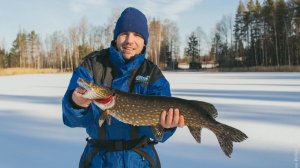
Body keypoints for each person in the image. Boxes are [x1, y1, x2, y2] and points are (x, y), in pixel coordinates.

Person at [62, 7, 185, 168]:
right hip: (98, 161)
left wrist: (165, 126)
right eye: (124, 34)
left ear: (144, 41)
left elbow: (159, 134)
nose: (129, 40)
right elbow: (71, 119)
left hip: (139, 161)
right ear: (116, 37)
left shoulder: (153, 75)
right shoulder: (92, 65)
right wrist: (76, 103)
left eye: (137, 35)